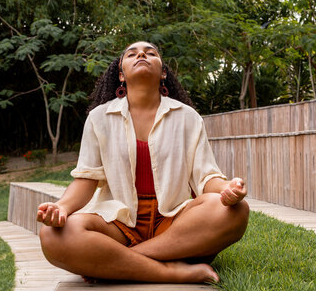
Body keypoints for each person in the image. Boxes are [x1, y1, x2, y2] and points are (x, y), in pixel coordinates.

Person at [37, 41, 249, 284]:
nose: (141, 55)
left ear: (163, 72)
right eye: (132, 54)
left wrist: (228, 189)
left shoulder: (188, 117)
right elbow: (86, 179)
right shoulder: (99, 118)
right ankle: (171, 272)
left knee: (236, 211)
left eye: (151, 53)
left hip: (173, 223)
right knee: (52, 236)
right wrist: (62, 207)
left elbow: (206, 177)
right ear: (120, 74)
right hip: (117, 224)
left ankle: (117, 263)